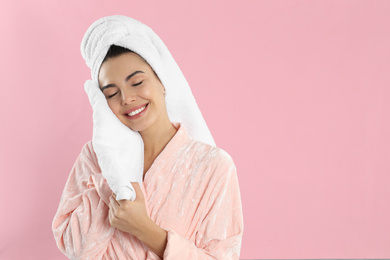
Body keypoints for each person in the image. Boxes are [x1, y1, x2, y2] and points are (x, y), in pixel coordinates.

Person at [52, 16, 243, 260]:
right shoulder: (94, 156)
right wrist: (113, 173)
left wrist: (146, 230)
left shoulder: (214, 166)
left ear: (162, 81)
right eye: (111, 93)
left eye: (137, 82)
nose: (127, 99)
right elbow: (76, 250)